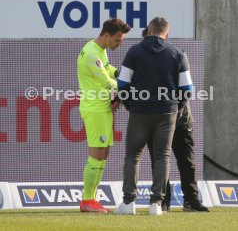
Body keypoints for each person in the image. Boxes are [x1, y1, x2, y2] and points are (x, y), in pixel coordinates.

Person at [115, 17, 193, 215]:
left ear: (149, 30)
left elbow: (122, 84)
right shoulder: (177, 53)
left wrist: (129, 105)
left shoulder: (134, 51)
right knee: (162, 157)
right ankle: (156, 204)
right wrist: (176, 106)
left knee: (133, 156)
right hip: (167, 113)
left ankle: (128, 203)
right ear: (166, 33)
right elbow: (187, 89)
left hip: (139, 111)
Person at [142, 27, 209, 213]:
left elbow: (186, 90)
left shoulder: (176, 56)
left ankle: (191, 200)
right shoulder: (140, 60)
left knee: (186, 161)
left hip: (180, 119)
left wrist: (176, 109)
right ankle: (163, 200)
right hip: (155, 120)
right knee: (160, 161)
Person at [77, 18, 130, 213]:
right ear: (106, 35)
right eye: (118, 40)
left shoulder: (99, 50)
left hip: (103, 107)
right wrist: (130, 86)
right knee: (97, 153)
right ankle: (87, 201)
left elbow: (107, 70)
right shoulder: (92, 53)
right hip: (95, 109)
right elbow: (107, 82)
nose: (120, 43)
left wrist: (120, 73)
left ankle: (91, 199)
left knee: (103, 153)